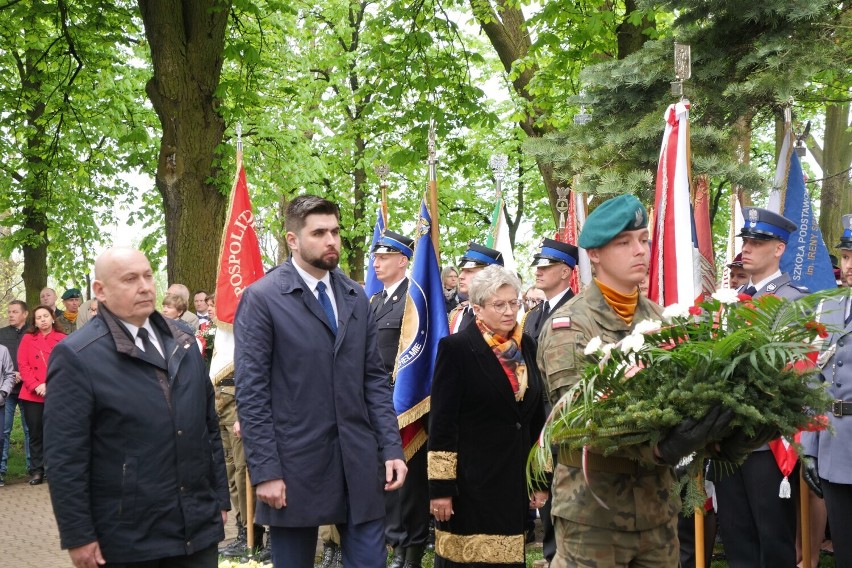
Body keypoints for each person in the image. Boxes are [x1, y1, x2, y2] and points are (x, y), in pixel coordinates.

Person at [537, 194, 733, 567]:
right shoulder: (570, 327)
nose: (639, 250)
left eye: (643, 240)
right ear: (594, 254)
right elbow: (581, 423)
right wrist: (662, 449)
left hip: (657, 511)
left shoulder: (664, 321)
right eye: (624, 243)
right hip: (593, 515)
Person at [234, 195, 407, 568]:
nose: (331, 240)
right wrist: (265, 471)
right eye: (319, 233)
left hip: (357, 460)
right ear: (293, 240)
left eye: (335, 231)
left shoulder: (355, 296)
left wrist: (391, 448)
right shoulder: (263, 298)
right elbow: (252, 392)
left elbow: (374, 380)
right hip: (294, 464)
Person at [43, 247, 229, 568]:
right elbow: (65, 456)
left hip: (197, 527)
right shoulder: (78, 356)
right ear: (100, 291)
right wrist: (78, 534)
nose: (144, 286)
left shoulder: (183, 342)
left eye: (147, 275)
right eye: (130, 279)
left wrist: (219, 498)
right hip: (128, 537)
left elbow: (207, 427)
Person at [428, 265, 547, 567]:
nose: (510, 311)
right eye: (500, 304)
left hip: (513, 481)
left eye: (514, 303)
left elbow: (532, 419)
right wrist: (441, 489)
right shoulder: (456, 349)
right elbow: (442, 423)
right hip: (470, 486)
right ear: (478, 308)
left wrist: (539, 478)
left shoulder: (526, 346)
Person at [711, 206, 807, 568]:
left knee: (773, 540)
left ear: (778, 248)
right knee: (737, 538)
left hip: (767, 442)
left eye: (757, 242)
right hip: (727, 437)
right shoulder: (732, 303)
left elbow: (796, 372)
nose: (746, 248)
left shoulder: (793, 301)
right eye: (745, 241)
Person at [369, 230, 430, 568]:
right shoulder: (375, 301)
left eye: (384, 257)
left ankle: (413, 546)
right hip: (377, 400)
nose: (376, 263)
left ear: (403, 260)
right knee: (386, 475)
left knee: (411, 478)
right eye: (375, 257)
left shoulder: (414, 298)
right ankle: (395, 542)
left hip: (405, 399)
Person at [802, 213, 852, 567]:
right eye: (847, 257)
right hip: (834, 448)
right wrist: (810, 450)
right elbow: (815, 382)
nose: (849, 265)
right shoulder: (829, 307)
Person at [17, 304, 66, 485]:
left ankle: (56, 470)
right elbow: (23, 364)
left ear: (53, 318)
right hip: (33, 394)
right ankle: (37, 471)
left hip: (56, 393)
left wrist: (49, 385)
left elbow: (66, 366)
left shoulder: (63, 339)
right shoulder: (28, 339)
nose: (43, 320)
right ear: (35, 322)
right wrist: (36, 385)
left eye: (46, 316)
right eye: (39, 317)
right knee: (35, 434)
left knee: (56, 433)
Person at [0, 299, 30, 487]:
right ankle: (1, 471)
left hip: (28, 390)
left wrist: (23, 374)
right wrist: (13, 375)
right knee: (4, 430)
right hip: (7, 392)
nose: (11, 315)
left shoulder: (32, 332)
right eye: (9, 312)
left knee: (30, 430)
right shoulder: (1, 334)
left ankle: (33, 468)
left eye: (15, 312)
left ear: (25, 314)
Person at [448, 243, 503, 333]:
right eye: (462, 271)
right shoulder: (457, 315)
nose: (461, 276)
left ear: (490, 276)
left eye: (469, 271)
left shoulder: (501, 318)